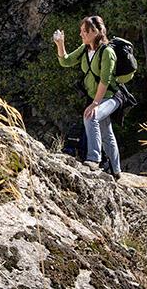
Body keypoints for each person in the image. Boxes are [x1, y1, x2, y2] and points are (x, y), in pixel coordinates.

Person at [53, 15, 122, 180]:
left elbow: (105, 80)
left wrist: (95, 103)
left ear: (96, 32)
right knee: (106, 133)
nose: (81, 34)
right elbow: (66, 61)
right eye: (81, 31)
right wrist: (60, 44)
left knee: (91, 117)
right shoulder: (85, 49)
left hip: (111, 97)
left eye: (85, 31)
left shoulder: (107, 52)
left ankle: (93, 159)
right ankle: (116, 170)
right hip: (97, 98)